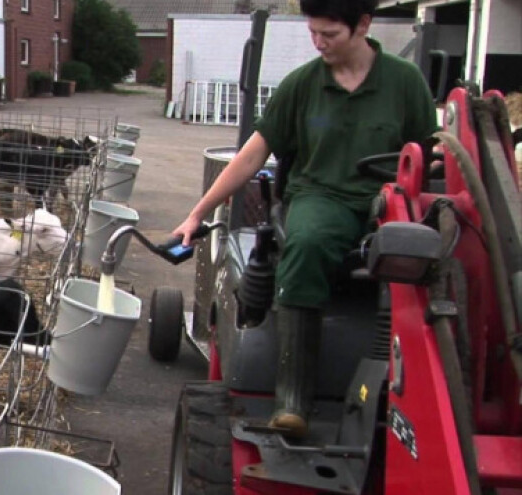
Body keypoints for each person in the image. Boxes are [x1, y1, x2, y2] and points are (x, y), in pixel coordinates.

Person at [173, 0, 439, 438]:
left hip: (388, 198)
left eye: (329, 34)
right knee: (308, 242)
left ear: (363, 26)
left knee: (433, 253)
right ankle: (294, 397)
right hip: (322, 196)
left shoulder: (404, 82)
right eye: (313, 33)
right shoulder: (302, 86)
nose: (319, 43)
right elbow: (253, 154)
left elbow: (425, 157)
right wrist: (198, 212)